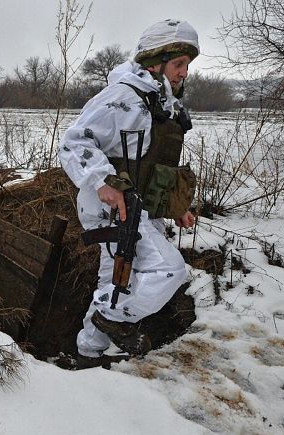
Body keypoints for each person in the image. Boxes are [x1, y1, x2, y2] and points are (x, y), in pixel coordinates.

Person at [58, 19, 200, 369]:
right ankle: (113, 318)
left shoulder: (161, 105)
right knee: (169, 269)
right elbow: (73, 141)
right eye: (178, 63)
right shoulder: (123, 97)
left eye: (187, 65)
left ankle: (88, 352)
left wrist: (176, 206)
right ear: (155, 61)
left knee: (116, 281)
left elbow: (154, 168)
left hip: (140, 208)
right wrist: (102, 182)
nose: (184, 72)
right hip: (111, 207)